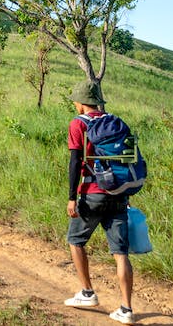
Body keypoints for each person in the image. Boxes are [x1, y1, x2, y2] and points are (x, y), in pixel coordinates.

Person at [64, 80, 136, 324]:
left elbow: (75, 162)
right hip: (118, 193)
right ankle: (126, 309)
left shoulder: (78, 124)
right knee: (121, 253)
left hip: (91, 192)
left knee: (75, 240)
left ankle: (87, 293)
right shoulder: (116, 122)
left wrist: (72, 197)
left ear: (81, 102)